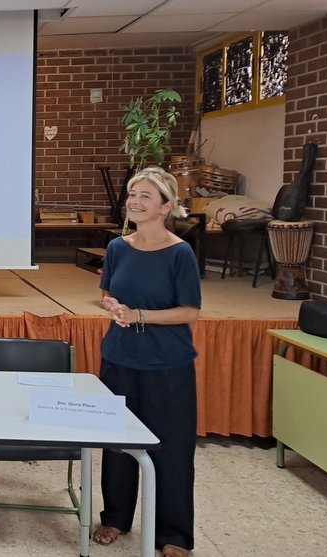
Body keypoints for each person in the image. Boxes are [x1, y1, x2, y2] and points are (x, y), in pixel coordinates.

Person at [94, 166, 201, 557]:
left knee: (170, 449)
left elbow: (190, 311)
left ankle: (173, 535)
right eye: (132, 194)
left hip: (167, 364)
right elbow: (107, 292)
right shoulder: (118, 247)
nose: (134, 202)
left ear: (166, 207)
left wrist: (140, 315)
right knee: (116, 444)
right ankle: (115, 518)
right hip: (119, 359)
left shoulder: (180, 253)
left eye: (144, 196)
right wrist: (114, 308)